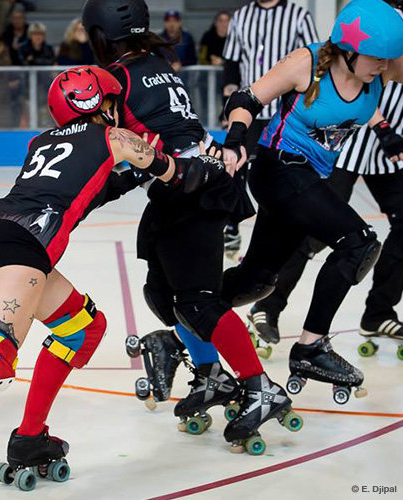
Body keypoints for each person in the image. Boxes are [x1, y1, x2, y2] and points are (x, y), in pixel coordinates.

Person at [0, 66, 228, 490]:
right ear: (104, 105)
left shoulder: (42, 141)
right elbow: (179, 174)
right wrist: (212, 164)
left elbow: (95, 187)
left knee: (84, 327)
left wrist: (136, 172)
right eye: (115, 103)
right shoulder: (115, 137)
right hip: (21, 246)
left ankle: (30, 437)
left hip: (1, 233)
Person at [84, 0, 303, 453]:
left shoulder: (115, 78)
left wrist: (87, 192)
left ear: (100, 35)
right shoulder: (157, 63)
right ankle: (210, 375)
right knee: (164, 295)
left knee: (199, 302)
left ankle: (259, 387)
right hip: (192, 178)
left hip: (191, 185)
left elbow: (117, 147)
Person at [223, 0, 403, 404]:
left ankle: (185, 322)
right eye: (376, 58)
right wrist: (234, 140)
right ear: (348, 49)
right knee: (358, 243)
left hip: (306, 177)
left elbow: (370, 89)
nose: (383, 66)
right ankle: (310, 347)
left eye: (387, 59)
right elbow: (247, 98)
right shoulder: (307, 64)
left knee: (258, 279)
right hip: (278, 168)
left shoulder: (376, 73)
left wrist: (386, 131)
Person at [222, 0, 318, 258]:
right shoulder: (241, 15)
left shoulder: (298, 16)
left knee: (283, 170)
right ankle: (231, 225)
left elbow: (315, 58)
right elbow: (231, 62)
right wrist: (229, 106)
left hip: (285, 111)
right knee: (235, 165)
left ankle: (291, 227)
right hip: (249, 109)